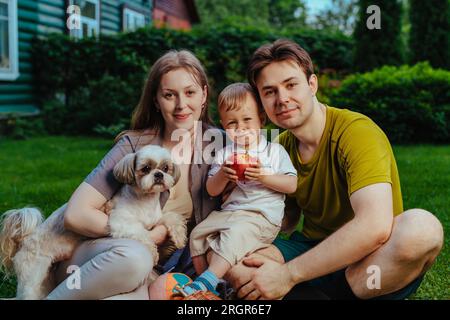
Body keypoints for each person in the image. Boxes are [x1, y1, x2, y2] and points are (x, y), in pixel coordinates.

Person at [225, 39, 444, 300]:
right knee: (240, 268)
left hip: (370, 259)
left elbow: (374, 227)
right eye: (269, 91)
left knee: (422, 228)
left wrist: (287, 274)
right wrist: (241, 201)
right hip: (311, 248)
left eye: (291, 85)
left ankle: (315, 291)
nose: (282, 99)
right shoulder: (280, 148)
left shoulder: (356, 131)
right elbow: (287, 219)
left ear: (312, 84)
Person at [45, 50, 223, 299]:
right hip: (100, 260)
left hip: (156, 272)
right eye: (169, 95)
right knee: (135, 258)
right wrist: (147, 236)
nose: (182, 104)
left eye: (190, 92)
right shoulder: (133, 147)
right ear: (156, 101)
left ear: (204, 95)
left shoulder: (218, 146)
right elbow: (76, 215)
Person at [182, 83, 297, 296]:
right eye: (232, 123)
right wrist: (223, 175)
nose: (241, 128)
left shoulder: (274, 151)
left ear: (261, 120)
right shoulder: (225, 154)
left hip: (260, 216)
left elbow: (291, 185)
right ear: (224, 126)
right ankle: (209, 286)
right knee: (197, 234)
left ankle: (207, 280)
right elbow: (212, 190)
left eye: (247, 120)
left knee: (234, 236)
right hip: (230, 214)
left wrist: (264, 177)